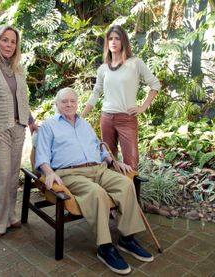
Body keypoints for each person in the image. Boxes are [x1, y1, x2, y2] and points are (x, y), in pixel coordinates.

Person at [36, 87, 153, 275]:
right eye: (64, 101)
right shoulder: (49, 126)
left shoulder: (85, 124)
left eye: (72, 101)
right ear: (57, 105)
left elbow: (99, 148)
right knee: (96, 193)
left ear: (77, 104)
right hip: (71, 173)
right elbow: (41, 155)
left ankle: (127, 239)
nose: (69, 104)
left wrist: (113, 161)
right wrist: (48, 172)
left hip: (98, 168)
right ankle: (105, 247)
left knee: (125, 184)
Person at [0, 26, 37, 240]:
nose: (9, 45)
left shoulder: (18, 70)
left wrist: (30, 122)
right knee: (2, 178)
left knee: (12, 177)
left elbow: (23, 99)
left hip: (18, 129)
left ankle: (10, 217)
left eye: (13, 41)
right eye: (5, 40)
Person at [82, 25, 161, 170]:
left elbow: (155, 84)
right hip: (106, 119)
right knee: (108, 160)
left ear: (123, 41)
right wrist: (81, 116)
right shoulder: (103, 69)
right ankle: (112, 191)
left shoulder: (135, 63)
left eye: (117, 38)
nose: (113, 42)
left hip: (127, 119)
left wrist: (142, 107)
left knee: (131, 163)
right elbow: (96, 93)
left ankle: (132, 192)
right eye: (110, 39)